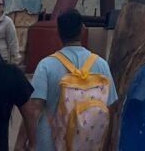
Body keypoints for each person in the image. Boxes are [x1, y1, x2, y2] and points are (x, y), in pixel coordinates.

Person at [24, 10, 117, 151]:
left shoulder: (46, 65)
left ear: (58, 33)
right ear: (82, 29)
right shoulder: (101, 65)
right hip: (88, 144)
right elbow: (111, 107)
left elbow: (35, 109)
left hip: (50, 143)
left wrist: (23, 142)